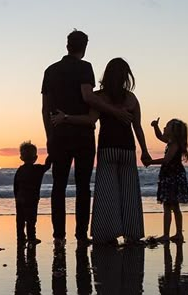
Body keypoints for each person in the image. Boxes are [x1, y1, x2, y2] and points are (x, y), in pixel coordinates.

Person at [42, 31, 132, 247]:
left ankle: (58, 236)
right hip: (82, 134)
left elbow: (45, 109)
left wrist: (49, 137)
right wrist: (115, 111)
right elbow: (87, 96)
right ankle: (81, 236)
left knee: (59, 186)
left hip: (59, 134)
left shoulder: (50, 70)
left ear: (67, 45)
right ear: (84, 46)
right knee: (83, 187)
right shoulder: (84, 67)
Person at [51, 58, 151, 244]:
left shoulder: (100, 97)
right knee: (129, 194)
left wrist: (66, 117)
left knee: (107, 194)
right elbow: (137, 127)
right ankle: (132, 234)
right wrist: (145, 151)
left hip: (107, 149)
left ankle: (107, 234)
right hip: (128, 149)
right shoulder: (131, 98)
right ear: (126, 76)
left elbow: (90, 120)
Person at [146, 118, 188, 242]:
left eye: (167, 126)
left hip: (172, 177)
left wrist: (150, 162)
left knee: (168, 206)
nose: (164, 128)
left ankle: (167, 234)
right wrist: (155, 126)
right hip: (172, 176)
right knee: (175, 207)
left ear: (173, 131)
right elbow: (160, 136)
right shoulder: (172, 141)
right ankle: (178, 234)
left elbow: (166, 160)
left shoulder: (174, 144)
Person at [13, 141, 51, 245]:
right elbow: (48, 166)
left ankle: (20, 237)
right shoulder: (38, 168)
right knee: (31, 219)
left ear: (21, 157)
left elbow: (15, 185)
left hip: (20, 198)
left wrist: (16, 197)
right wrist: (51, 155)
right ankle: (31, 238)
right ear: (36, 157)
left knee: (20, 219)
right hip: (32, 199)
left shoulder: (20, 170)